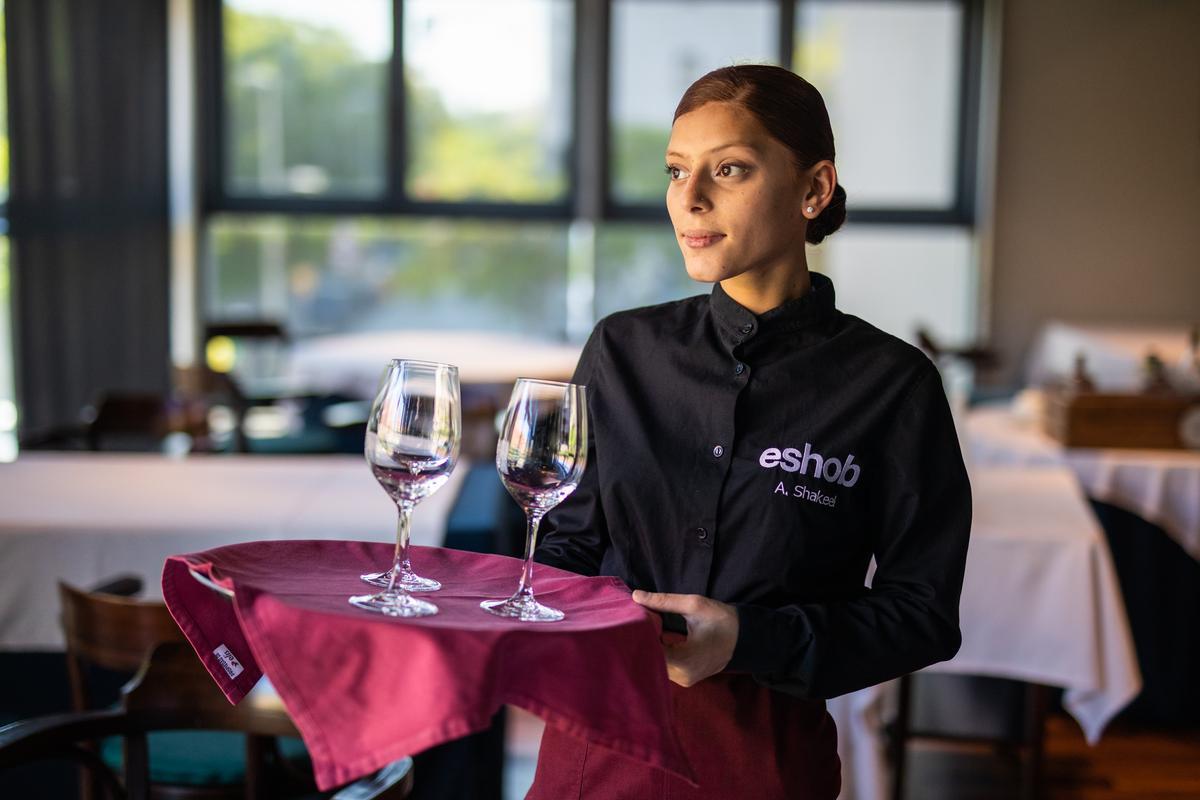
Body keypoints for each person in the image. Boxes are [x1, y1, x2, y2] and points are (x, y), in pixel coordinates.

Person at [526, 64, 972, 800]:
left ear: (814, 189)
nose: (689, 199)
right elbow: (564, 545)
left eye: (728, 168)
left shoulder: (894, 386)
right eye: (676, 171)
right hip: (596, 748)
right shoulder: (621, 351)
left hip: (767, 765)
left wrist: (750, 639)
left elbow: (923, 615)